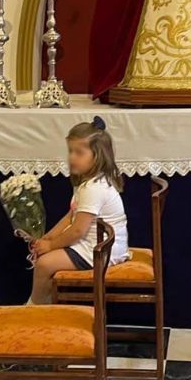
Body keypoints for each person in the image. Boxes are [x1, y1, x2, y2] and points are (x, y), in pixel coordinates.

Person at [27, 118, 130, 305]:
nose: (72, 157)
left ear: (96, 156)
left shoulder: (94, 188)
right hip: (93, 245)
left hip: (101, 251)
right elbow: (71, 216)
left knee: (44, 264)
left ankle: (35, 308)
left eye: (79, 153)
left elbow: (77, 230)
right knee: (46, 258)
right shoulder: (88, 183)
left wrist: (51, 246)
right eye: (70, 151)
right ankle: (48, 305)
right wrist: (48, 238)